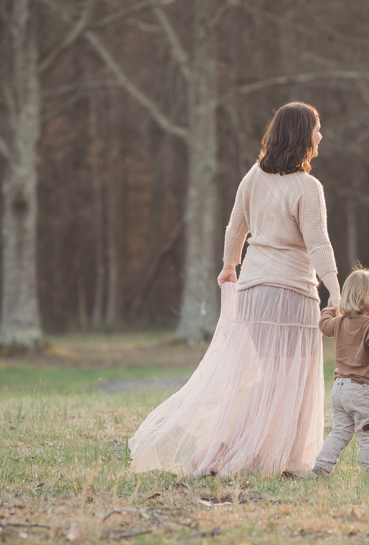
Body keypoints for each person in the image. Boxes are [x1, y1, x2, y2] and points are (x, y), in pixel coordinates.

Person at [128, 102, 341, 477]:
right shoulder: (308, 187)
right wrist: (335, 291)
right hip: (293, 293)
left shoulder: (254, 176)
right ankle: (265, 455)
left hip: (255, 293)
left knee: (271, 379)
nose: (321, 136)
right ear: (301, 134)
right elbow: (318, 243)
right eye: (317, 129)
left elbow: (234, 228)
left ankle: (242, 448)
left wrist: (229, 265)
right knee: (291, 381)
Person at [309, 267, 369, 477]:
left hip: (339, 389)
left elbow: (324, 326)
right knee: (368, 433)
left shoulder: (339, 323)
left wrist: (330, 309)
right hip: (361, 389)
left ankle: (321, 466)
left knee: (340, 431)